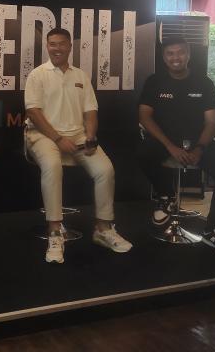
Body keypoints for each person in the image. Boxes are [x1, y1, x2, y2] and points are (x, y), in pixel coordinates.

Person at [24, 27, 133, 264]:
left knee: (105, 170)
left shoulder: (81, 76)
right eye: (52, 44)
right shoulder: (37, 75)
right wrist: (58, 139)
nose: (57, 48)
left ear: (70, 47)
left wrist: (91, 136)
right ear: (47, 46)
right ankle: (55, 233)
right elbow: (33, 112)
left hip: (78, 135)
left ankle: (103, 229)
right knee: (52, 165)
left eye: (61, 44)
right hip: (43, 136)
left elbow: (90, 111)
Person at [137, 37, 215, 256]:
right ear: (164, 57)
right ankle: (166, 197)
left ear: (189, 54)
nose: (176, 58)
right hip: (164, 141)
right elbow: (144, 116)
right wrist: (170, 146)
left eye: (180, 52)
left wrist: (199, 148)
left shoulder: (204, 83)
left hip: (198, 143)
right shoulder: (155, 81)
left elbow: (212, 121)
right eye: (170, 53)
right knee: (143, 153)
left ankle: (213, 231)